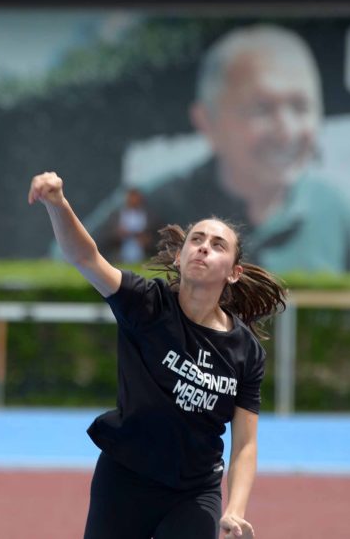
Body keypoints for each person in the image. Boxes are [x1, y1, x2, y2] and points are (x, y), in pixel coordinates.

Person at [30, 170, 284, 539]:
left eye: (218, 245)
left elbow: (245, 443)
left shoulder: (246, 350)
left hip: (194, 491)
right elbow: (86, 257)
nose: (204, 247)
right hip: (125, 477)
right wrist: (58, 204)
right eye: (196, 239)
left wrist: (235, 509)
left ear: (233, 272)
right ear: (179, 258)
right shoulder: (146, 303)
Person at [81, 23, 350, 275]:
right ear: (207, 121)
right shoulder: (150, 207)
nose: (286, 131)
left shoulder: (343, 217)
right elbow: (70, 278)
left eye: (300, 107)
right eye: (262, 109)